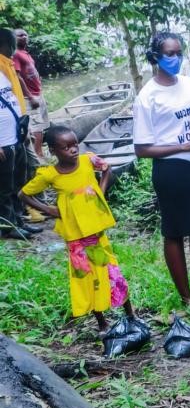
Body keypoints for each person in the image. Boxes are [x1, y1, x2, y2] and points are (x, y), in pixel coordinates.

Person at [131, 32, 190, 304]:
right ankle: (187, 298)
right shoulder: (148, 97)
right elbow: (142, 149)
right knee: (174, 232)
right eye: (169, 54)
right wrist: (183, 148)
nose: (175, 58)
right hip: (171, 170)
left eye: (179, 52)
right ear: (156, 58)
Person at [21, 126, 136, 335]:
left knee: (112, 271)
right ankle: (102, 322)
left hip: (96, 233)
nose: (73, 150)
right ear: (53, 151)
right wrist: (50, 210)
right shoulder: (50, 175)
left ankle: (130, 314)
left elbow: (106, 168)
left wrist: (99, 192)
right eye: (66, 147)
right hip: (76, 239)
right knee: (85, 278)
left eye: (75, 144)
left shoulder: (87, 161)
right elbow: (24, 194)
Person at [0, 29, 33, 238]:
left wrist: (24, 129)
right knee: (4, 188)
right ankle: (8, 227)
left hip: (15, 136)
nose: (14, 50)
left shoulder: (6, 70)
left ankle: (19, 219)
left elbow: (14, 99)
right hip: (2, 141)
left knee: (18, 182)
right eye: (11, 45)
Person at [13, 29, 47, 164]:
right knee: (36, 127)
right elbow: (17, 76)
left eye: (25, 35)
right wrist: (30, 97)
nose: (24, 37)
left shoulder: (25, 53)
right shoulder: (15, 54)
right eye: (20, 35)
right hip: (30, 97)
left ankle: (40, 153)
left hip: (38, 93)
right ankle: (38, 156)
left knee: (42, 125)